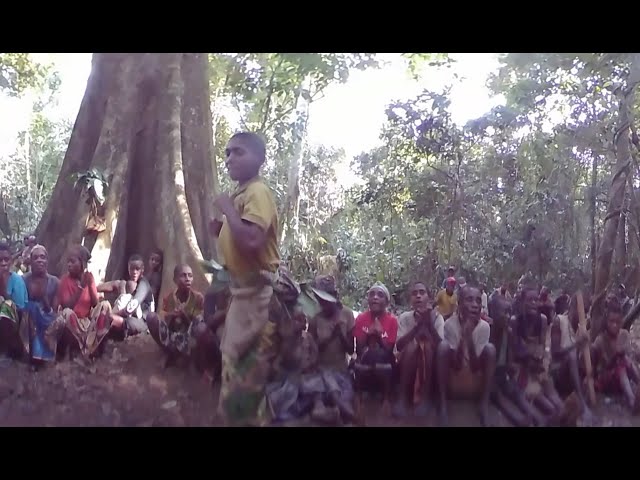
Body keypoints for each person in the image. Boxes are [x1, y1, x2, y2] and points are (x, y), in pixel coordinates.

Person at [209, 131, 281, 427]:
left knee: (245, 375)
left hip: (257, 297)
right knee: (237, 369)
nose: (229, 159)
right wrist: (222, 228)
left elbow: (252, 240)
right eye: (227, 153)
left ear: (259, 159)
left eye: (238, 152)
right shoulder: (243, 194)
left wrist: (227, 209)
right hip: (243, 296)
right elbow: (242, 239)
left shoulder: (257, 192)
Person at [436, 285, 496, 427]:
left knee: (490, 349)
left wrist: (468, 338)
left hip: (474, 383)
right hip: (455, 382)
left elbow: (475, 368)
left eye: (478, 301)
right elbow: (456, 366)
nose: (475, 305)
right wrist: (463, 336)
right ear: (459, 304)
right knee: (443, 347)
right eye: (469, 300)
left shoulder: (484, 327)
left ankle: (483, 404)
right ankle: (443, 403)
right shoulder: (450, 324)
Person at [509, 286, 564, 421]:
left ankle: (563, 415)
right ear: (522, 302)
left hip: (539, 365)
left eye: (536, 300)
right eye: (529, 300)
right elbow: (516, 351)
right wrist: (530, 362)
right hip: (522, 369)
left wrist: (543, 363)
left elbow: (543, 346)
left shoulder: (543, 320)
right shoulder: (515, 321)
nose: (533, 303)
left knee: (555, 399)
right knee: (546, 404)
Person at [307, 275, 356, 423]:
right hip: (321, 370)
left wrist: (340, 334)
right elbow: (311, 350)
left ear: (334, 297)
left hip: (341, 371)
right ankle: (331, 410)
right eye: (320, 300)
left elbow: (350, 349)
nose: (323, 304)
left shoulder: (347, 314)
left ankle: (336, 410)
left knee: (343, 396)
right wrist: (328, 337)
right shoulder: (315, 319)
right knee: (320, 395)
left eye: (326, 300)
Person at [53, 245, 113, 360]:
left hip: (87, 323)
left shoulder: (89, 277)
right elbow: (67, 306)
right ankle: (84, 349)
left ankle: (93, 347)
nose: (69, 265)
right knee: (66, 313)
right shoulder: (65, 280)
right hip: (73, 324)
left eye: (73, 261)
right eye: (68, 262)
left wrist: (89, 284)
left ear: (82, 264)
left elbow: (95, 304)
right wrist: (81, 288)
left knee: (105, 305)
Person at [393, 281, 443, 418]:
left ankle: (425, 398)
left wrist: (429, 325)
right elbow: (399, 345)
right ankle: (402, 398)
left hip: (429, 365)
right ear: (411, 300)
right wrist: (417, 327)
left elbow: (441, 347)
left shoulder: (438, 318)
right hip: (407, 364)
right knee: (413, 345)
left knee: (426, 346)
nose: (418, 296)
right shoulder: (404, 317)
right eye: (414, 294)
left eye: (422, 292)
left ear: (429, 298)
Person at [352, 282, 398, 418]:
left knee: (383, 362)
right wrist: (368, 334)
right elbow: (359, 350)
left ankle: (386, 399)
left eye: (380, 295)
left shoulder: (392, 321)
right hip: (366, 362)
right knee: (358, 363)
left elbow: (389, 352)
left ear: (387, 302)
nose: (375, 298)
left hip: (384, 363)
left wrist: (379, 336)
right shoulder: (361, 318)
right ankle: (359, 400)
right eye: (372, 294)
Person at [147, 264, 205, 367]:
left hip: (189, 339)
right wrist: (172, 315)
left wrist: (184, 316)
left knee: (200, 325)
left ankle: (188, 357)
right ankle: (169, 352)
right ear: (175, 279)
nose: (187, 279)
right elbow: (164, 323)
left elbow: (198, 326)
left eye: (190, 275)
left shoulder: (198, 298)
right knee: (151, 317)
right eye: (183, 276)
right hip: (172, 336)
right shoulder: (168, 298)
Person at [592, 296, 640, 413]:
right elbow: (598, 370)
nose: (614, 325)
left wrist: (624, 355)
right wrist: (615, 357)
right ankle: (632, 400)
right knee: (621, 367)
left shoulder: (624, 335)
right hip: (606, 381)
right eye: (611, 322)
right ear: (606, 321)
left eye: (617, 322)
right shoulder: (600, 340)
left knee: (626, 361)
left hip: (623, 378)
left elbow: (630, 360)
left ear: (621, 321)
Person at [98, 254, 154, 339]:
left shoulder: (144, 285)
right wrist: (94, 289)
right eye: (132, 269)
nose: (134, 272)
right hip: (132, 317)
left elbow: (130, 309)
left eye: (137, 269)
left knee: (108, 319)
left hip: (143, 322)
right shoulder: (131, 283)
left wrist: (112, 314)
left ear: (142, 269)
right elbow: (115, 284)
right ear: (128, 269)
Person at [21, 245, 60, 363]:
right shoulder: (23, 280)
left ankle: (47, 355)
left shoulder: (55, 282)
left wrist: (44, 299)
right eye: (36, 257)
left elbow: (54, 312)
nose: (39, 260)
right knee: (30, 309)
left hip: (47, 320)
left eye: (42, 257)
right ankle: (30, 354)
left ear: (47, 261)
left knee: (60, 320)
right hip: (28, 322)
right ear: (30, 262)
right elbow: (21, 304)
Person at [0, 242, 28, 357]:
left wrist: (3, 284)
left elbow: (20, 309)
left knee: (6, 304)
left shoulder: (17, 280)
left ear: (11, 261)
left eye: (6, 259)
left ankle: (6, 351)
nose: (3, 263)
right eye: (0, 260)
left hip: (15, 324)